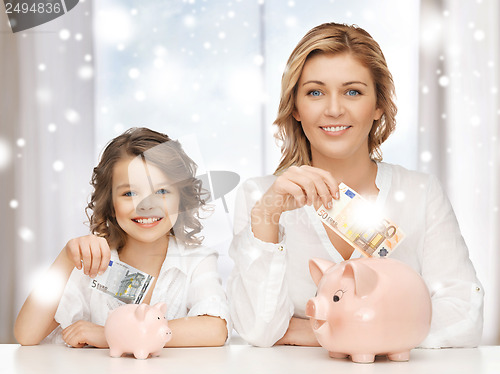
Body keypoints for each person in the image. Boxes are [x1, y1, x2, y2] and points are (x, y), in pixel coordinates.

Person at [227, 23, 484, 348]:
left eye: (353, 91)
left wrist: (320, 330)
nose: (334, 109)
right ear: (295, 107)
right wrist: (268, 215)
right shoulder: (259, 196)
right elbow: (257, 331)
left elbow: (464, 315)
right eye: (315, 92)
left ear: (378, 105)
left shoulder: (421, 193)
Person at [15, 127, 230, 348]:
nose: (146, 205)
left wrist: (112, 335)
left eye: (162, 191)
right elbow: (26, 334)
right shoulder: (92, 262)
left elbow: (214, 330)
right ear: (110, 203)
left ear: (181, 199)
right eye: (129, 193)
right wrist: (66, 258)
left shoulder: (197, 260)